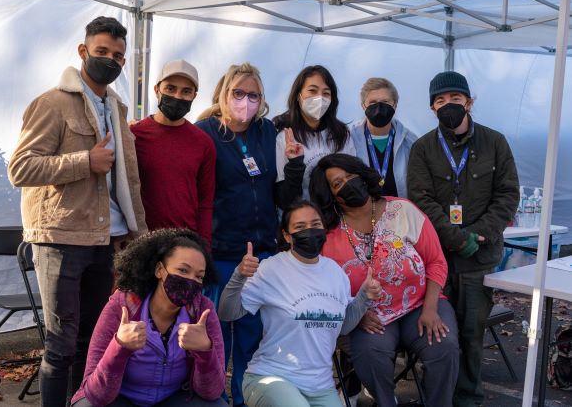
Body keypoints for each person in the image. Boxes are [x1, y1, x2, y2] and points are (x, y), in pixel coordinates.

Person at [7, 17, 147, 406]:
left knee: (92, 340)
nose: (110, 60)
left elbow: (126, 179)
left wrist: (136, 231)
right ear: (83, 52)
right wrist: (85, 160)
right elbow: (21, 168)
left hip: (105, 239)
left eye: (118, 55)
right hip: (60, 238)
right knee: (60, 344)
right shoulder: (51, 102)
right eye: (101, 52)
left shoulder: (116, 108)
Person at [310, 153, 459, 407]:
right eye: (337, 183)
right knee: (370, 353)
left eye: (350, 176)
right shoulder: (328, 234)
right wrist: (354, 312)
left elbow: (436, 262)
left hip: (420, 305)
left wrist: (431, 309)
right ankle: (386, 402)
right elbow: (322, 287)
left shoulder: (403, 210)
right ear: (331, 196)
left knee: (444, 347)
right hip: (369, 316)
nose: (347, 183)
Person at [407, 71, 519, 407]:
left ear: (469, 102)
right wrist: (456, 238)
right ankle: (435, 396)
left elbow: (508, 195)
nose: (448, 106)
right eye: (440, 101)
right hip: (438, 260)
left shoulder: (495, 142)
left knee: (471, 334)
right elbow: (421, 200)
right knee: (436, 335)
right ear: (432, 108)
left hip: (478, 260)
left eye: (454, 99)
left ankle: (468, 398)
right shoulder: (423, 148)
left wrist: (478, 234)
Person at [218, 200, 381, 407]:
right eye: (300, 227)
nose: (310, 232)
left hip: (321, 387)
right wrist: (239, 276)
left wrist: (364, 297)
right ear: (287, 235)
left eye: (315, 224)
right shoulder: (271, 269)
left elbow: (342, 326)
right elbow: (226, 313)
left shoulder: (336, 273)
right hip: (271, 378)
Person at [195, 63, 278, 407]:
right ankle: (213, 397)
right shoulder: (205, 133)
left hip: (261, 253)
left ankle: (245, 399)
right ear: (224, 94)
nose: (246, 101)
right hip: (220, 252)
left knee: (251, 336)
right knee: (216, 337)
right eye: (239, 93)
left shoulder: (268, 131)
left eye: (253, 95)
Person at [71, 228, 228, 407]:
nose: (191, 280)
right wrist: (119, 348)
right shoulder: (122, 305)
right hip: (121, 399)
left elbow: (212, 393)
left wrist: (204, 351)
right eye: (183, 270)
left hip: (173, 398)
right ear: (159, 270)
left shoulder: (202, 311)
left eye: (199, 276)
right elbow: (96, 395)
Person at [131, 59, 216, 242]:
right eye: (170, 88)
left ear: (194, 96)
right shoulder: (133, 136)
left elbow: (205, 203)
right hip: (141, 242)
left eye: (186, 91)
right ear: (157, 90)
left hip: (185, 242)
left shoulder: (203, 143)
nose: (177, 96)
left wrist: (204, 248)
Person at [272, 65, 356, 208]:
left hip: (337, 219)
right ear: (298, 96)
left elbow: (352, 181)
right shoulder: (284, 136)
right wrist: (295, 165)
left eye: (326, 93)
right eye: (312, 91)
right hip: (302, 223)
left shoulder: (341, 134)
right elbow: (284, 199)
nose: (320, 98)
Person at [349, 77, 418, 197]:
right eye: (373, 102)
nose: (379, 107)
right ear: (363, 106)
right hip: (363, 213)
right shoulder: (349, 139)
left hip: (400, 212)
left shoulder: (410, 140)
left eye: (385, 102)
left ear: (395, 105)